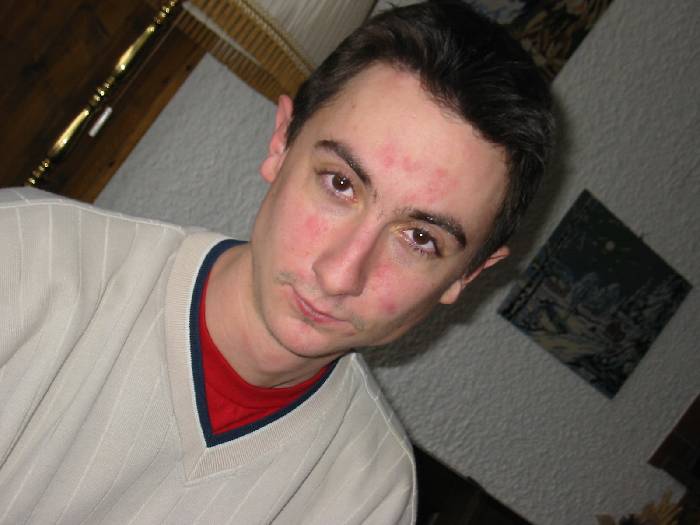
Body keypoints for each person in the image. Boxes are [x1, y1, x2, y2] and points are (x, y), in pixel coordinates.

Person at [0, 1, 553, 523]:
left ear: (467, 276)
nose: (340, 275)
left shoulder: (371, 498)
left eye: (420, 238)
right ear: (281, 143)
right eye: (341, 184)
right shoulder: (23, 256)